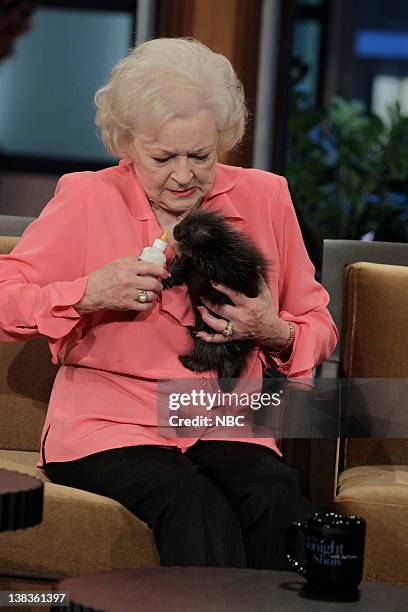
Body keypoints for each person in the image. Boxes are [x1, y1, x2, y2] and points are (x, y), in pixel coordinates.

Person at [0, 37, 338, 569]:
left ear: (223, 140)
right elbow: (5, 298)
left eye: (201, 156)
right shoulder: (87, 197)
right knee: (193, 505)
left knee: (278, 501)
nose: (184, 176)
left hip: (223, 418)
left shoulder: (266, 197)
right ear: (127, 144)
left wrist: (276, 329)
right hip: (108, 425)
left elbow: (317, 323)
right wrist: (87, 293)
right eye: (162, 157)